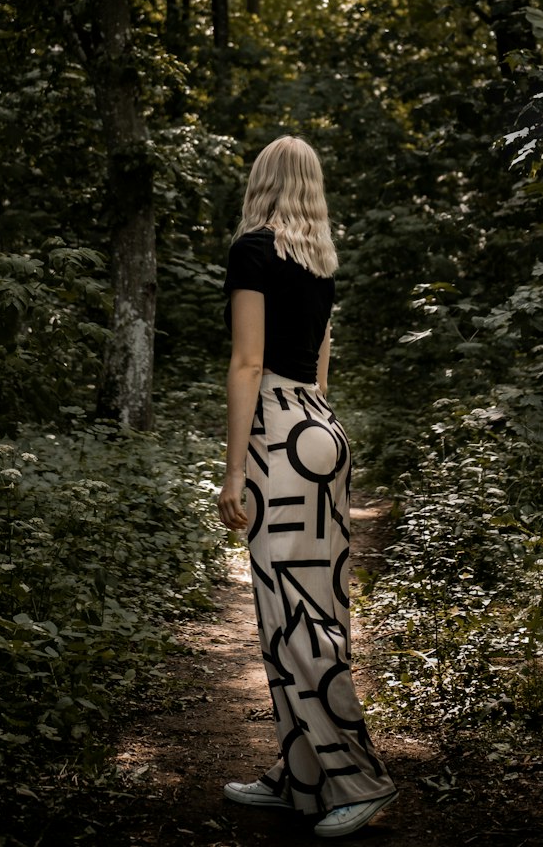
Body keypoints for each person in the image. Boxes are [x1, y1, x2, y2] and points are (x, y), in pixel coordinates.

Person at [217, 135, 397, 839]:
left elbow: (248, 363)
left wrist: (235, 469)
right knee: (312, 610)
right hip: (322, 430)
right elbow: (320, 373)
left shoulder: (252, 251)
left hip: (280, 435)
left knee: (292, 615)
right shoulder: (319, 262)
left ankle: (359, 777)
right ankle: (302, 771)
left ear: (261, 180)